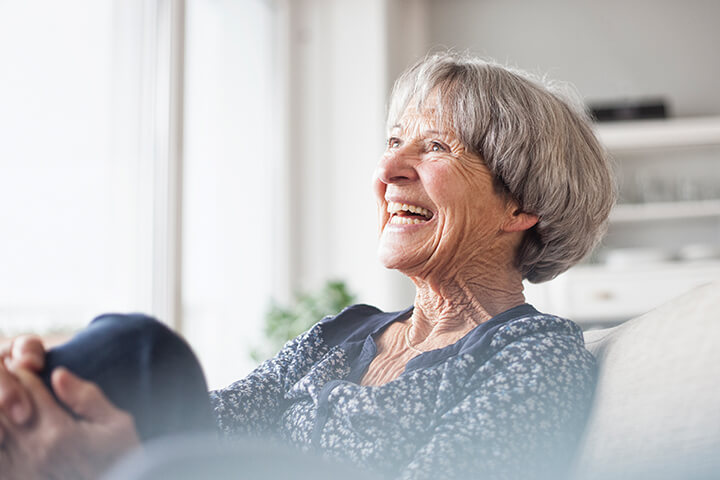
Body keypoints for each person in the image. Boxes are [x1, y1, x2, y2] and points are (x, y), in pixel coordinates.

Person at [0, 52, 615, 479]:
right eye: (393, 141)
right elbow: (200, 421)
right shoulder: (345, 334)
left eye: (435, 146)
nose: (387, 170)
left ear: (522, 205)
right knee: (137, 349)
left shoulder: (533, 353)